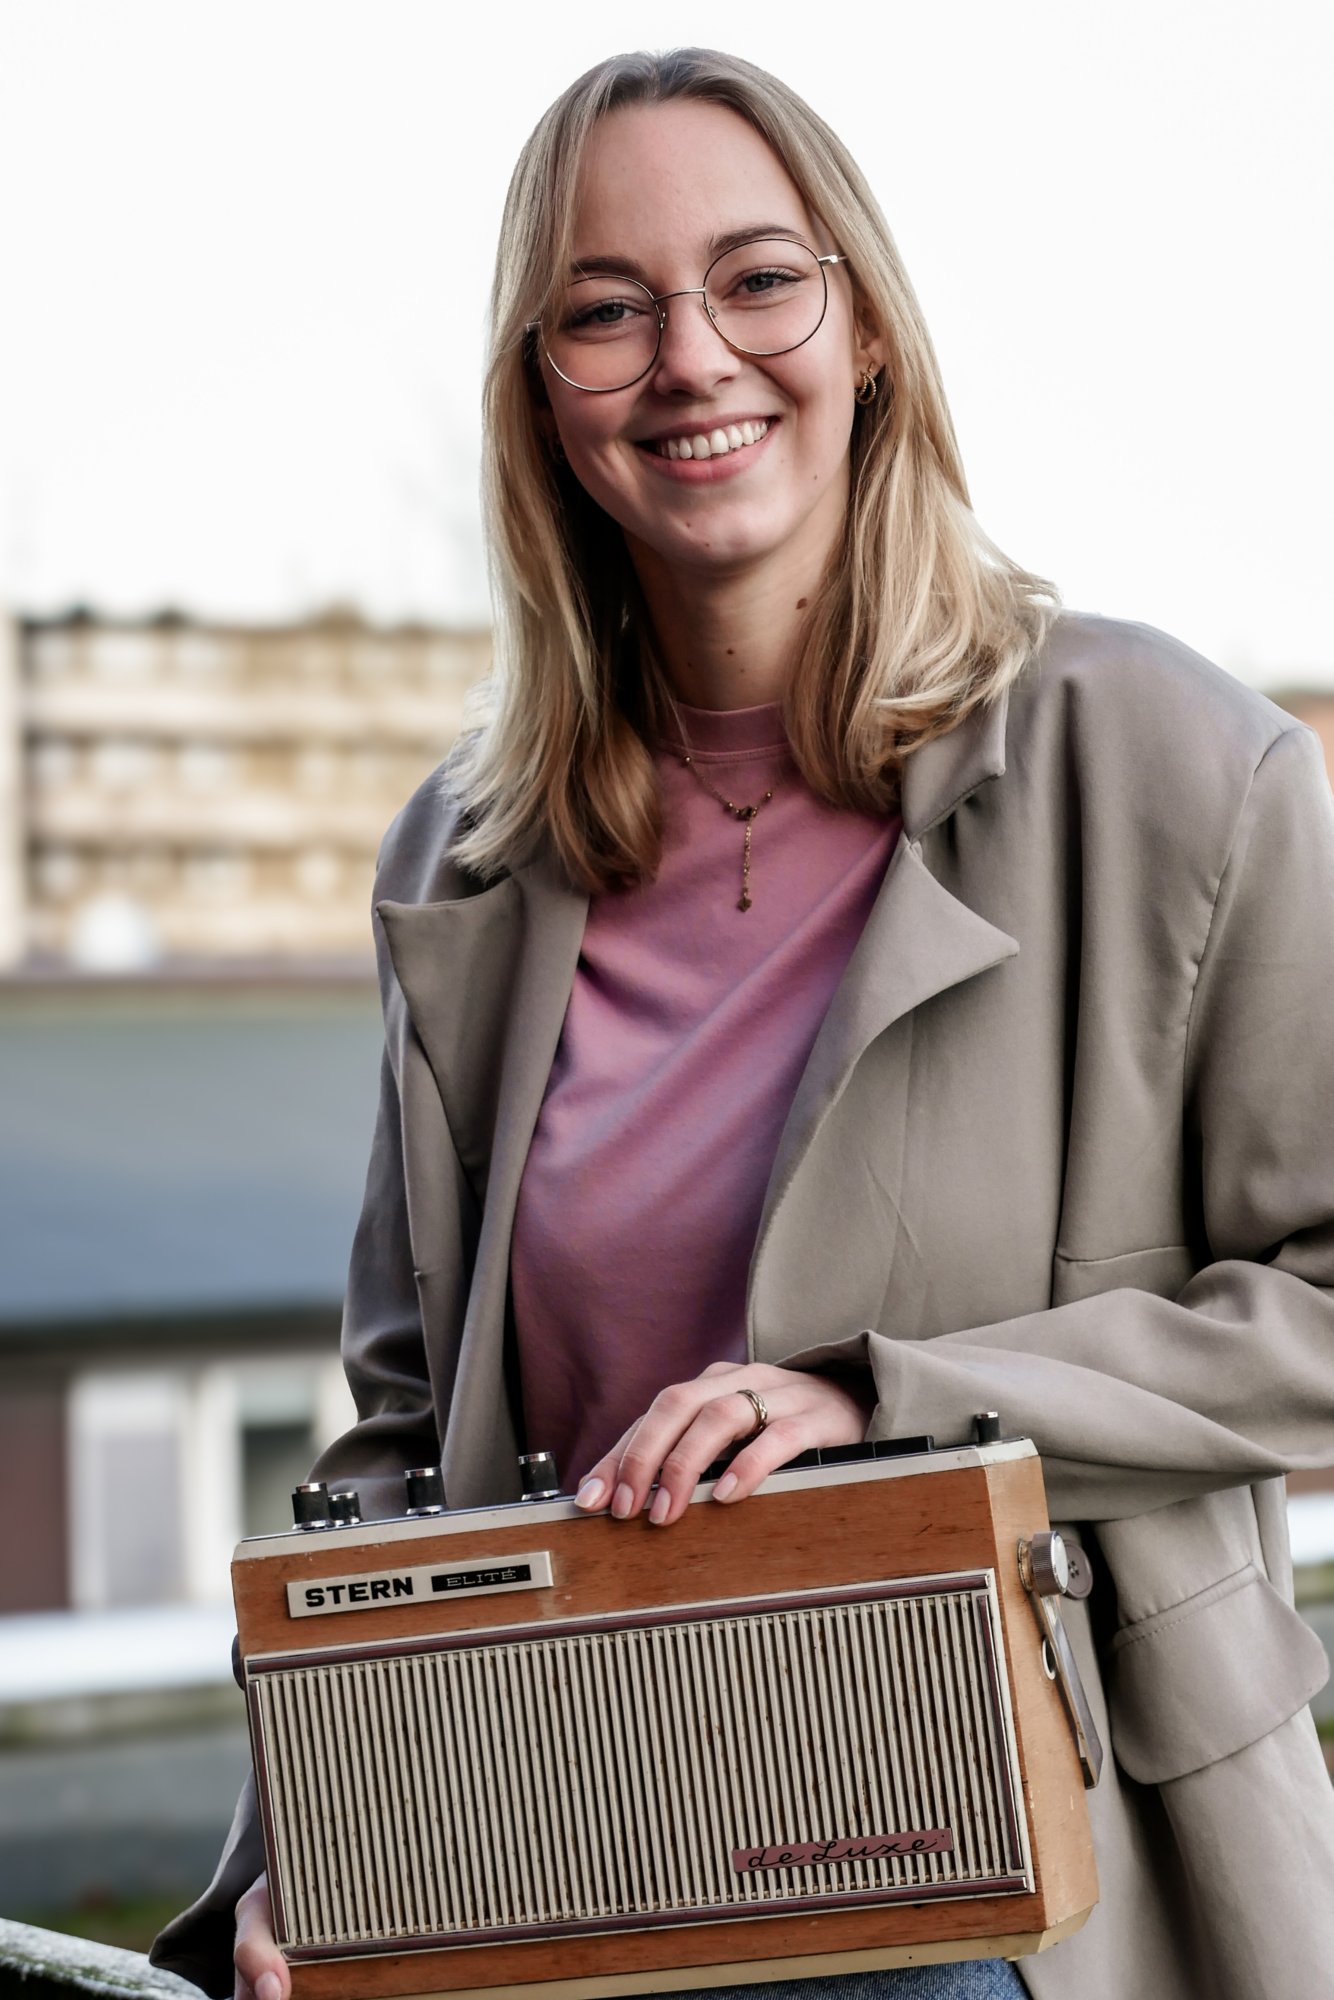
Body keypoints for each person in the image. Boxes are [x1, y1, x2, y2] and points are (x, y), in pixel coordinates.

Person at [151, 46, 1334, 2000]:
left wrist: (893, 1399)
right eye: (604, 312)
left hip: (1031, 1916)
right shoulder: (465, 857)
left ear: (863, 328)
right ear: (543, 396)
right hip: (566, 1900)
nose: (690, 356)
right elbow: (400, 1447)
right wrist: (329, 1844)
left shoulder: (1171, 768)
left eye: (757, 280)